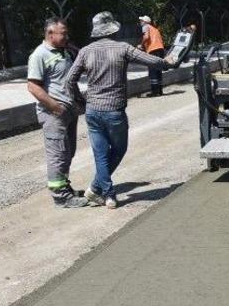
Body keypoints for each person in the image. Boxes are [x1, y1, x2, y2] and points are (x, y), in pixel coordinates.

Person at [64, 11, 176, 209]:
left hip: (92, 111)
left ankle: (101, 192)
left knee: (100, 154)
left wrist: (81, 102)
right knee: (119, 149)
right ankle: (105, 192)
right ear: (113, 29)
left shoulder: (85, 51)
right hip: (114, 111)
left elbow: (69, 81)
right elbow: (151, 61)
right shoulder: (122, 48)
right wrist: (166, 62)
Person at [26, 18, 87, 208]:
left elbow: (69, 81)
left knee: (68, 152)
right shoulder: (39, 55)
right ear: (50, 34)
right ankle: (61, 197)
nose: (66, 36)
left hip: (69, 112)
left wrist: (78, 102)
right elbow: (33, 87)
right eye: (63, 33)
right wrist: (55, 107)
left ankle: (65, 187)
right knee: (57, 154)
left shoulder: (64, 52)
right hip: (53, 114)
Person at [138, 14, 166, 97]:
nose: (140, 22)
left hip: (153, 50)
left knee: (152, 70)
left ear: (145, 22)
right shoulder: (155, 29)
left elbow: (146, 37)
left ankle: (154, 92)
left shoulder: (146, 26)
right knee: (158, 70)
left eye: (141, 21)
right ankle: (160, 91)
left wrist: (141, 45)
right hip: (160, 50)